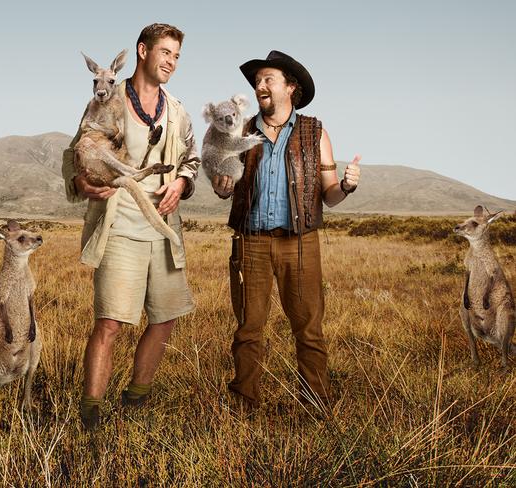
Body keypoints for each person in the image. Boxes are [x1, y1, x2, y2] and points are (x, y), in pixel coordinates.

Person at [61, 23, 199, 428]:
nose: (171, 62)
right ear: (142, 51)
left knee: (165, 316)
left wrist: (182, 182)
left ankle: (136, 398)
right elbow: (76, 153)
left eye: (176, 55)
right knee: (110, 321)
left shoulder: (177, 110)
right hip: (119, 220)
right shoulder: (108, 100)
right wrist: (81, 182)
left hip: (163, 224)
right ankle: (91, 411)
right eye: (165, 52)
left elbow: (191, 159)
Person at [212, 50, 361, 410]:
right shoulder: (241, 131)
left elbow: (329, 195)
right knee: (248, 330)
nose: (259, 86)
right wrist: (222, 183)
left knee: (309, 330)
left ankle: (315, 406)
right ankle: (244, 406)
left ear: (290, 88)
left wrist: (347, 185)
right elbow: (223, 188)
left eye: (268, 80)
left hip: (301, 244)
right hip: (250, 243)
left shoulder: (314, 132)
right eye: (257, 80)